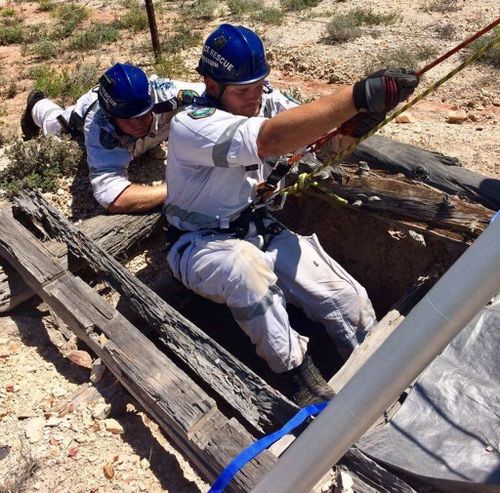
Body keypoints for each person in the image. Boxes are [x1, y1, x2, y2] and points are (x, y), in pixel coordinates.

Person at [163, 24, 419, 406]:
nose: (255, 98)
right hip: (201, 243)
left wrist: (354, 129)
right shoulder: (192, 125)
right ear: (211, 85)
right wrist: (356, 95)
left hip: (254, 226)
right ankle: (300, 382)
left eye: (259, 85)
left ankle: (380, 382)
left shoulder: (266, 100)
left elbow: (317, 148)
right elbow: (270, 139)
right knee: (245, 267)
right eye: (242, 91)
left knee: (347, 298)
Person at [21, 63, 204, 213]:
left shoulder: (166, 92)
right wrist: (175, 190)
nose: (138, 124)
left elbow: (213, 94)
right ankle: (35, 105)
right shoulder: (99, 127)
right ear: (111, 116)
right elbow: (111, 196)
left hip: (134, 130)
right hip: (79, 120)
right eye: (128, 119)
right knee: (55, 124)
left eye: (142, 115)